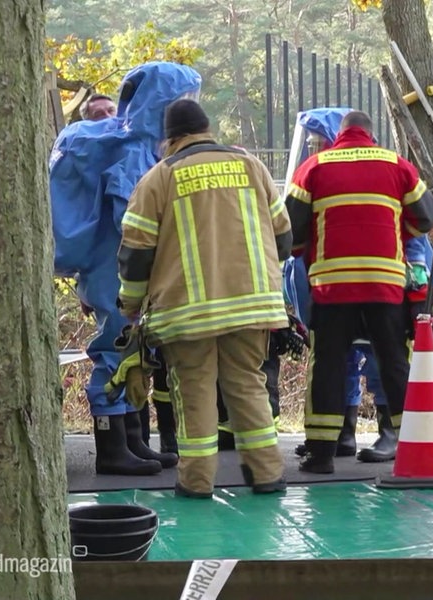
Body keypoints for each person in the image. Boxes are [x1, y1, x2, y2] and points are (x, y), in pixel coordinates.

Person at [117, 99, 291, 498]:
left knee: (193, 391)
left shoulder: (159, 178)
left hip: (187, 313)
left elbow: (136, 252)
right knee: (248, 386)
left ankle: (196, 483)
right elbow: (283, 238)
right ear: (207, 128)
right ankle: (267, 475)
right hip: (253, 306)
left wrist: (130, 304)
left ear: (170, 138)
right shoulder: (252, 167)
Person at [50, 62, 200, 476]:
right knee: (117, 349)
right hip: (115, 266)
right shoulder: (133, 148)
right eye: (184, 98)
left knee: (132, 350)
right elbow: (130, 219)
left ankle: (132, 440)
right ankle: (113, 449)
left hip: (105, 263)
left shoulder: (121, 140)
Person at [285, 110, 433, 474]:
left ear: (339, 135)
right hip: (384, 284)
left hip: (332, 286)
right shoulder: (397, 165)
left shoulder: (314, 168)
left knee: (329, 365)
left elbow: (292, 227)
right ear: (371, 134)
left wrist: (304, 251)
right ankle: (411, 446)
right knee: (394, 362)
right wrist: (398, 234)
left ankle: (322, 453)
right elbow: (426, 217)